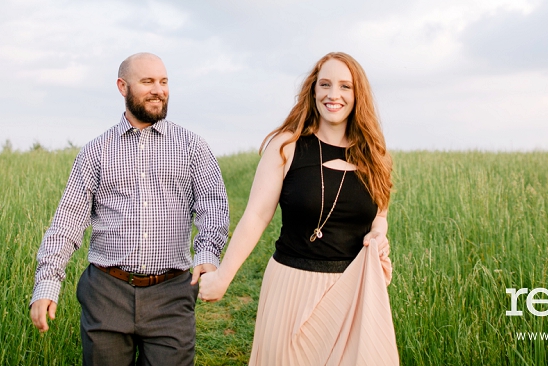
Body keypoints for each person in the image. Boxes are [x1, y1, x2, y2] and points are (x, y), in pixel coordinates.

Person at [198, 53, 399, 366]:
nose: (334, 94)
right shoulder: (286, 146)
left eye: (345, 86)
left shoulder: (376, 155)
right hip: (292, 287)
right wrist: (224, 277)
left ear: (357, 94)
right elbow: (256, 215)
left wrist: (378, 234)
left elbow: (380, 216)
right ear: (313, 91)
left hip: (353, 291)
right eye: (325, 84)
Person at [30, 52, 229, 366]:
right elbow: (68, 220)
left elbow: (213, 204)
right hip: (107, 294)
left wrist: (207, 254)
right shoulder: (95, 152)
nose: (158, 90)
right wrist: (48, 282)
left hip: (172, 295)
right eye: (147, 81)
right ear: (123, 87)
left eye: (164, 82)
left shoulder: (193, 146)